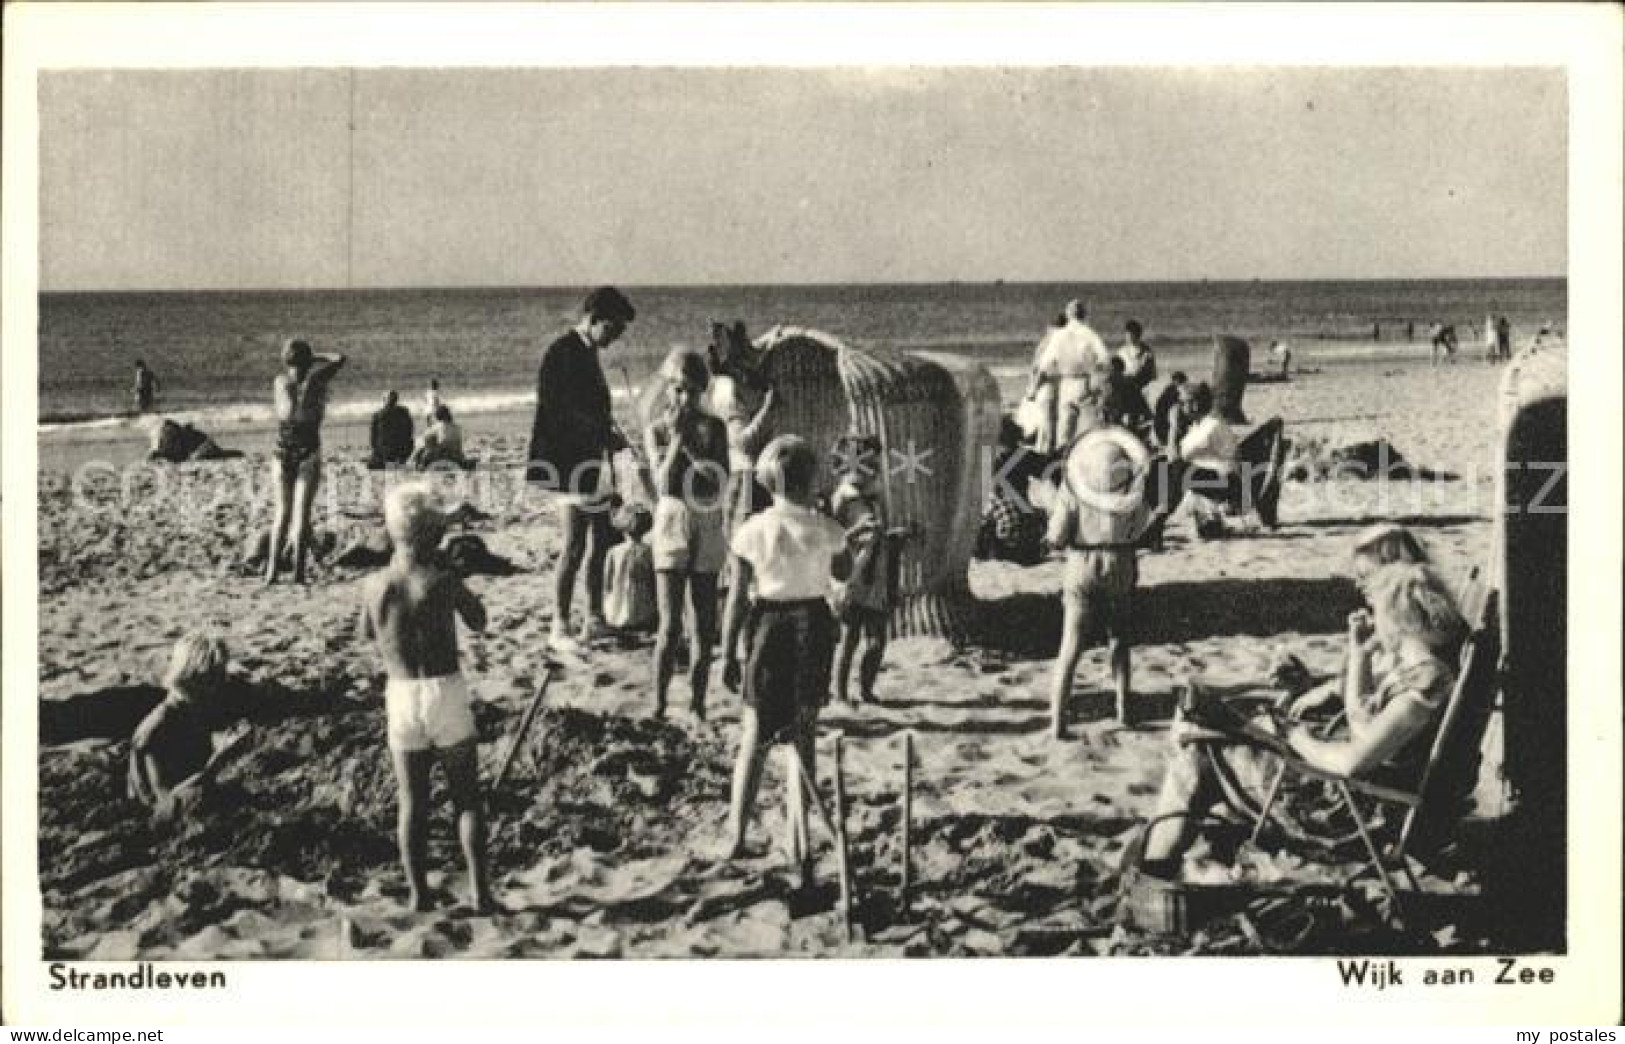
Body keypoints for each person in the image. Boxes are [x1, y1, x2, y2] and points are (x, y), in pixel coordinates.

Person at [1139, 563, 1467, 878]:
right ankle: (1171, 861)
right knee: (1204, 730)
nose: (1373, 619)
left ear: (1399, 620)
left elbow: (1352, 762)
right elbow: (1360, 723)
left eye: (1378, 611)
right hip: (1357, 795)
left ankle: (1156, 872)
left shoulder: (1425, 684)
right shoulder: (1421, 670)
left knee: (1198, 757)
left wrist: (1294, 735)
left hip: (1347, 815)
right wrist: (1360, 654)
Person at [718, 435, 871, 884]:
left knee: (756, 735)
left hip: (768, 625)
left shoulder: (751, 531)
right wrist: (856, 546)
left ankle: (737, 833)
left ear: (768, 484)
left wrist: (727, 651)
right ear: (812, 482)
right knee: (804, 735)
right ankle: (797, 836)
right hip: (813, 624)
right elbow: (842, 575)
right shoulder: (826, 529)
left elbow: (736, 603)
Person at [359, 482, 494, 914]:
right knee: (466, 799)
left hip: (401, 692)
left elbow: (364, 633)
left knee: (413, 802)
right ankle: (481, 892)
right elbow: (480, 621)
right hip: (444, 688)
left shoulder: (376, 584)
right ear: (432, 535)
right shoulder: (441, 581)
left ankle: (419, 891)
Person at [526, 287, 636, 655]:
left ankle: (594, 617)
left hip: (590, 460)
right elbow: (559, 411)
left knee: (601, 541)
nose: (616, 337)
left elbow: (590, 408)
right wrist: (601, 431)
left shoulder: (587, 352)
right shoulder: (563, 352)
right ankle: (559, 623)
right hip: (569, 462)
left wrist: (608, 430)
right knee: (574, 546)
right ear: (594, 318)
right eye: (614, 328)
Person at [1045, 426, 1154, 736]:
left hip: (1082, 562)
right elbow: (1142, 528)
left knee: (1071, 644)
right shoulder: (1132, 491)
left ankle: (1058, 720)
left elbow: (1056, 536)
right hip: (1121, 561)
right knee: (1119, 638)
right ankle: (1123, 707)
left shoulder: (1073, 490)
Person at [644, 348, 730, 719]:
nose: (685, 398)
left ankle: (697, 704)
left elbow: (718, 482)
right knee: (669, 623)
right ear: (668, 390)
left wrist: (695, 451)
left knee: (705, 621)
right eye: (679, 389)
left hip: (706, 515)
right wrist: (678, 440)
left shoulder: (716, 429)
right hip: (672, 516)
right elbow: (663, 482)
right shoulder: (657, 429)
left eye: (693, 392)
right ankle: (659, 704)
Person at [829, 433, 906, 706]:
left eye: (875, 464)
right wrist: (856, 531)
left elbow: (881, 530)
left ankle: (866, 688)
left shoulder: (876, 494)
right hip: (854, 575)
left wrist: (894, 535)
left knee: (877, 640)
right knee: (849, 639)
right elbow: (832, 540)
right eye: (867, 465)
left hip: (879, 573)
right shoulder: (842, 498)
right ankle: (839, 692)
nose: (873, 470)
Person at [128, 633, 235, 821]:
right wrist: (218, 759)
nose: (221, 685)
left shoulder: (189, 712)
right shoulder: (157, 729)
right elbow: (163, 804)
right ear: (190, 678)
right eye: (214, 678)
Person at [265, 338, 346, 585]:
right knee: (301, 516)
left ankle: (272, 572)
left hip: (282, 450)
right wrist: (316, 357)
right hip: (307, 450)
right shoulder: (317, 380)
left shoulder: (280, 382)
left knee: (281, 515)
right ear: (308, 360)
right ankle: (298, 574)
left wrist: (303, 358)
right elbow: (339, 358)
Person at [1028, 299, 1113, 452]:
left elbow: (1043, 365)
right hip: (1085, 383)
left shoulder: (1059, 335)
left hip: (1066, 383)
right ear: (1084, 315)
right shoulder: (1089, 333)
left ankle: (1062, 468)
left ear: (1068, 315)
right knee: (1087, 431)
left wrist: (1034, 388)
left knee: (1064, 433)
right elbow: (1105, 360)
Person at [976, 416, 1052, 565]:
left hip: (996, 524)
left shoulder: (984, 458)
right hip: (1022, 525)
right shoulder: (1022, 456)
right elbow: (1047, 468)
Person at [410, 404, 470, 471]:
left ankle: (421, 466)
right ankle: (464, 463)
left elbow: (425, 437)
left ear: (437, 416)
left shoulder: (438, 426)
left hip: (443, 453)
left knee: (425, 448)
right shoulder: (456, 426)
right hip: (457, 453)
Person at [369, 391, 415, 469]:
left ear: (384, 400)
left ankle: (385, 462)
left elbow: (373, 437)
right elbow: (410, 429)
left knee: (373, 463)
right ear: (396, 400)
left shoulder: (378, 415)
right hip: (402, 449)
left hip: (385, 450)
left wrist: (376, 450)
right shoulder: (404, 412)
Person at [1151, 371, 1188, 450]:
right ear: (1178, 382)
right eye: (1183, 383)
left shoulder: (1166, 393)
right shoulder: (1174, 394)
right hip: (1165, 431)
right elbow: (1175, 415)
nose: (1184, 386)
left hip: (1159, 429)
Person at [1118, 320, 1158, 391]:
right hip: (1126, 385)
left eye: (1130, 335)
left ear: (1137, 335)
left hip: (1141, 386)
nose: (1127, 337)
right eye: (1126, 334)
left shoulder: (1147, 352)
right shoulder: (1121, 351)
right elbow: (1117, 372)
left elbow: (1152, 375)